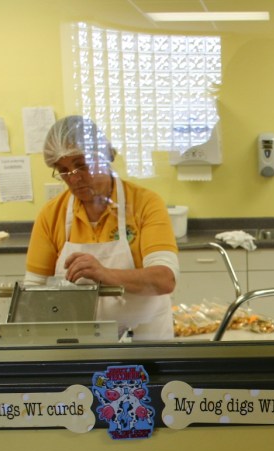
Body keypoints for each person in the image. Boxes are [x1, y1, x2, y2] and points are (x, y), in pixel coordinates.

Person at [24, 115, 179, 340]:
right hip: (78, 340)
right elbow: (33, 290)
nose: (74, 178)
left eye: (81, 165)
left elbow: (164, 279)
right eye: (64, 170)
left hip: (144, 336)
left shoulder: (145, 204)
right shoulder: (52, 214)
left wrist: (105, 274)